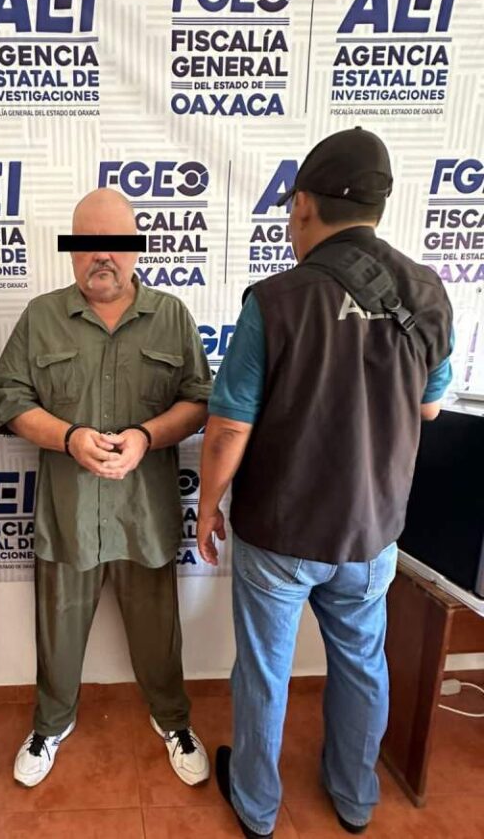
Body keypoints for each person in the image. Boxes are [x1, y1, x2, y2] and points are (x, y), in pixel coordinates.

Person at [196, 128, 453, 839]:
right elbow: (431, 406)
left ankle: (256, 810)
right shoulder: (428, 292)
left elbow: (228, 428)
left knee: (264, 672)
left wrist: (208, 504)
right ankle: (354, 799)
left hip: (280, 533)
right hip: (371, 533)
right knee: (363, 665)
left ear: (303, 205)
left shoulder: (276, 299)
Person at [0, 188, 213, 789]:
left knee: (159, 633)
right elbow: (7, 399)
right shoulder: (41, 316)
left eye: (115, 242)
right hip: (68, 513)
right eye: (88, 243)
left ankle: (173, 720)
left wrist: (146, 435)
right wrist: (68, 438)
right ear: (71, 250)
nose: (102, 255)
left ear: (135, 247)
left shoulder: (171, 315)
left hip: (146, 514)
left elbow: (199, 400)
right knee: (57, 632)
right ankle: (50, 723)